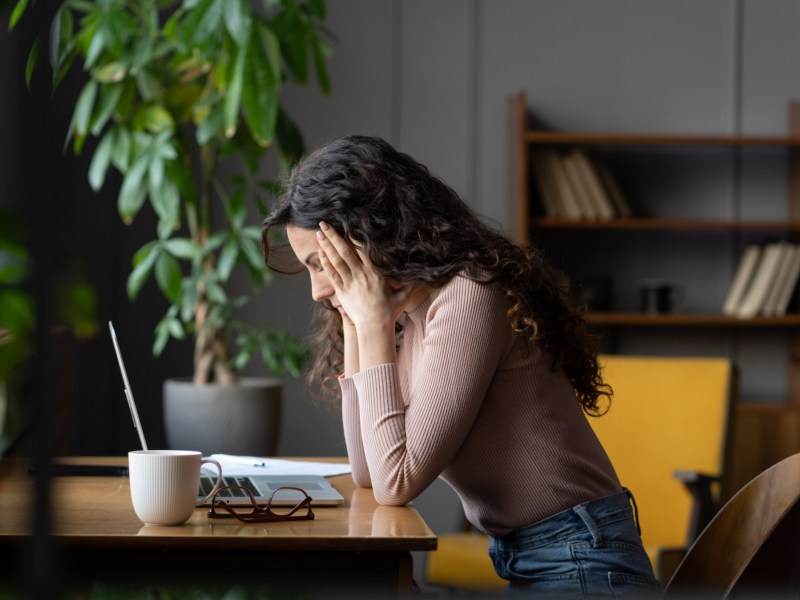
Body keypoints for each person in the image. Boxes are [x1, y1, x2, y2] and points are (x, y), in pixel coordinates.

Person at [261, 135, 661, 597]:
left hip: (583, 562)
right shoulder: (408, 316)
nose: (316, 291)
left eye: (321, 264)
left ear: (368, 237)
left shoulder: (469, 294)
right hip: (539, 561)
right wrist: (357, 321)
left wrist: (370, 322)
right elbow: (368, 471)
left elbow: (396, 482)